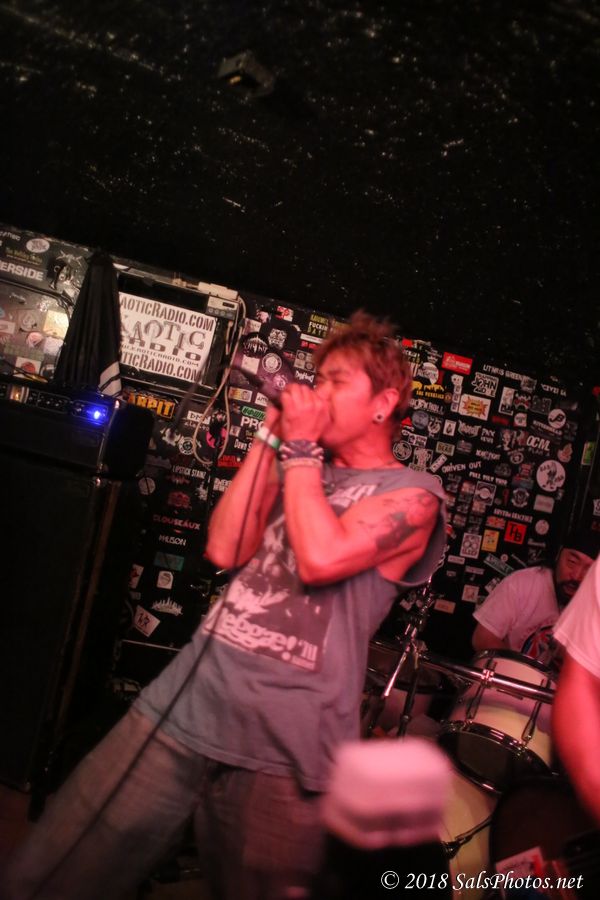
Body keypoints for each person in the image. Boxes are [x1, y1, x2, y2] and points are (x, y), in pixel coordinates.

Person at [2, 311, 446, 900]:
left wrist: (301, 448)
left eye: (338, 381)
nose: (319, 392)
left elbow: (321, 558)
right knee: (60, 866)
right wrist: (270, 436)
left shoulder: (414, 495)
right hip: (186, 707)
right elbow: (225, 548)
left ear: (383, 404)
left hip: (287, 748)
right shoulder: (300, 464)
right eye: (318, 379)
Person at [471, 532, 599, 667]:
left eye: (589, 569)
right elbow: (482, 638)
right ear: (558, 556)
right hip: (509, 675)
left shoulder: (594, 603)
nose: (576, 576)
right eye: (572, 562)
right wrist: (523, 673)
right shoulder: (522, 583)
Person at [552, 554, 600, 825]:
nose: (577, 574)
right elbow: (582, 683)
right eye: (572, 562)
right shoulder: (522, 586)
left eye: (586, 567)